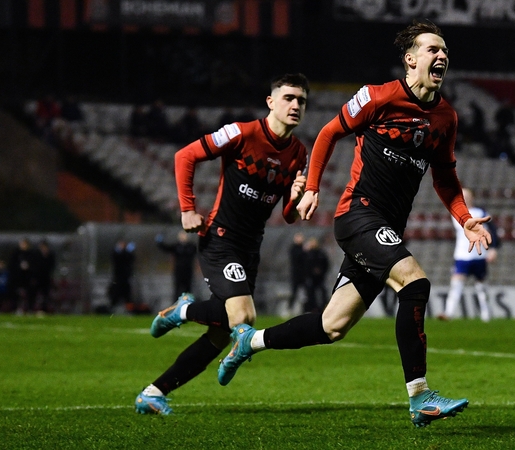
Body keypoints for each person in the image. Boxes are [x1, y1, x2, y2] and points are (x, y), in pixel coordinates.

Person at [214, 20, 492, 428]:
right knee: (415, 283)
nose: (442, 56)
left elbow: (446, 177)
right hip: (358, 214)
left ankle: (249, 341)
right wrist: (312, 187)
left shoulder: (445, 117)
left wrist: (465, 219)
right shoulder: (378, 97)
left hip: (387, 228)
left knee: (333, 325)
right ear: (410, 59)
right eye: (432, 49)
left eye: (445, 50)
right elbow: (329, 133)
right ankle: (420, 396)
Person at [134, 73, 310, 415]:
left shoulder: (299, 154)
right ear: (270, 102)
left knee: (220, 334)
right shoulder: (240, 133)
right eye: (288, 98)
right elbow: (185, 156)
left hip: (250, 248)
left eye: (301, 101)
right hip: (221, 238)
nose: (295, 106)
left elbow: (288, 216)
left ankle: (153, 393)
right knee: (244, 316)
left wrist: (295, 197)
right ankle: (183, 312)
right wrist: (187, 209)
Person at [438, 187, 500, 322]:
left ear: (472, 198)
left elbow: (493, 231)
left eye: (467, 196)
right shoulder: (455, 212)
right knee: (456, 284)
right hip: (462, 255)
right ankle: (448, 313)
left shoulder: (481, 212)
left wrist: (493, 249)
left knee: (481, 286)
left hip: (479, 255)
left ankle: (486, 315)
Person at [155, 231, 198, 304]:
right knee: (177, 289)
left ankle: (188, 304)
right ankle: (176, 304)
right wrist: (159, 242)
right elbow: (165, 248)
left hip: (188, 271)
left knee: (188, 288)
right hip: (178, 271)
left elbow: (201, 250)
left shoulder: (191, 247)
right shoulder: (176, 246)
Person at [302, 236, 330, 314]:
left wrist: (321, 271)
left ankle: (323, 307)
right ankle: (312, 308)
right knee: (310, 294)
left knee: (322, 292)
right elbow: (303, 265)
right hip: (310, 277)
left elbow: (326, 264)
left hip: (320, 277)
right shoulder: (307, 254)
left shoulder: (321, 253)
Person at [108, 239, 136, 312]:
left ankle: (130, 310)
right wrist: (124, 251)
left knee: (127, 296)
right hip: (118, 278)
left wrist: (128, 251)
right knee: (115, 294)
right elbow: (116, 258)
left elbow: (130, 259)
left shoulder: (127, 254)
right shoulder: (117, 254)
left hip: (126, 278)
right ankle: (111, 310)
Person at [9, 238, 35, 315]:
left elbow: (35, 265)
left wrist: (28, 267)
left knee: (29, 293)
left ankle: (29, 309)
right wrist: (19, 267)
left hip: (27, 277)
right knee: (16, 293)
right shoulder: (16, 253)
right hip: (18, 277)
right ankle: (15, 309)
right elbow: (11, 265)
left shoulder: (31, 254)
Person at [33, 239, 56, 315]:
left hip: (46, 278)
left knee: (45, 294)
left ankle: (44, 309)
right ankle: (33, 309)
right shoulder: (36, 255)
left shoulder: (50, 255)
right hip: (37, 277)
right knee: (34, 293)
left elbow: (52, 266)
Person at [287, 232, 307, 315]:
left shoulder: (304, 249)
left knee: (306, 293)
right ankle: (290, 308)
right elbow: (295, 258)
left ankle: (305, 309)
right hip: (295, 274)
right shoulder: (293, 249)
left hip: (304, 274)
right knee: (294, 292)